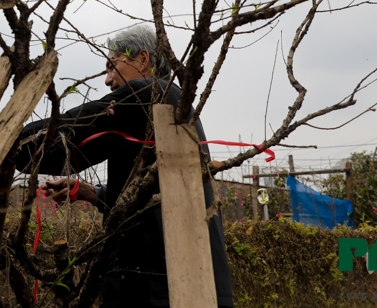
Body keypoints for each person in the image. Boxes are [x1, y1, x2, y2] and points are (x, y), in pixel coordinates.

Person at [15, 25, 234, 307]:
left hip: (163, 288)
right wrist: (91, 193)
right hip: (195, 282)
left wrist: (13, 144)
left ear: (142, 59)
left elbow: (74, 129)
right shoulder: (173, 105)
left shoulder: (148, 93)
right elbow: (154, 196)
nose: (107, 80)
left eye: (111, 66)